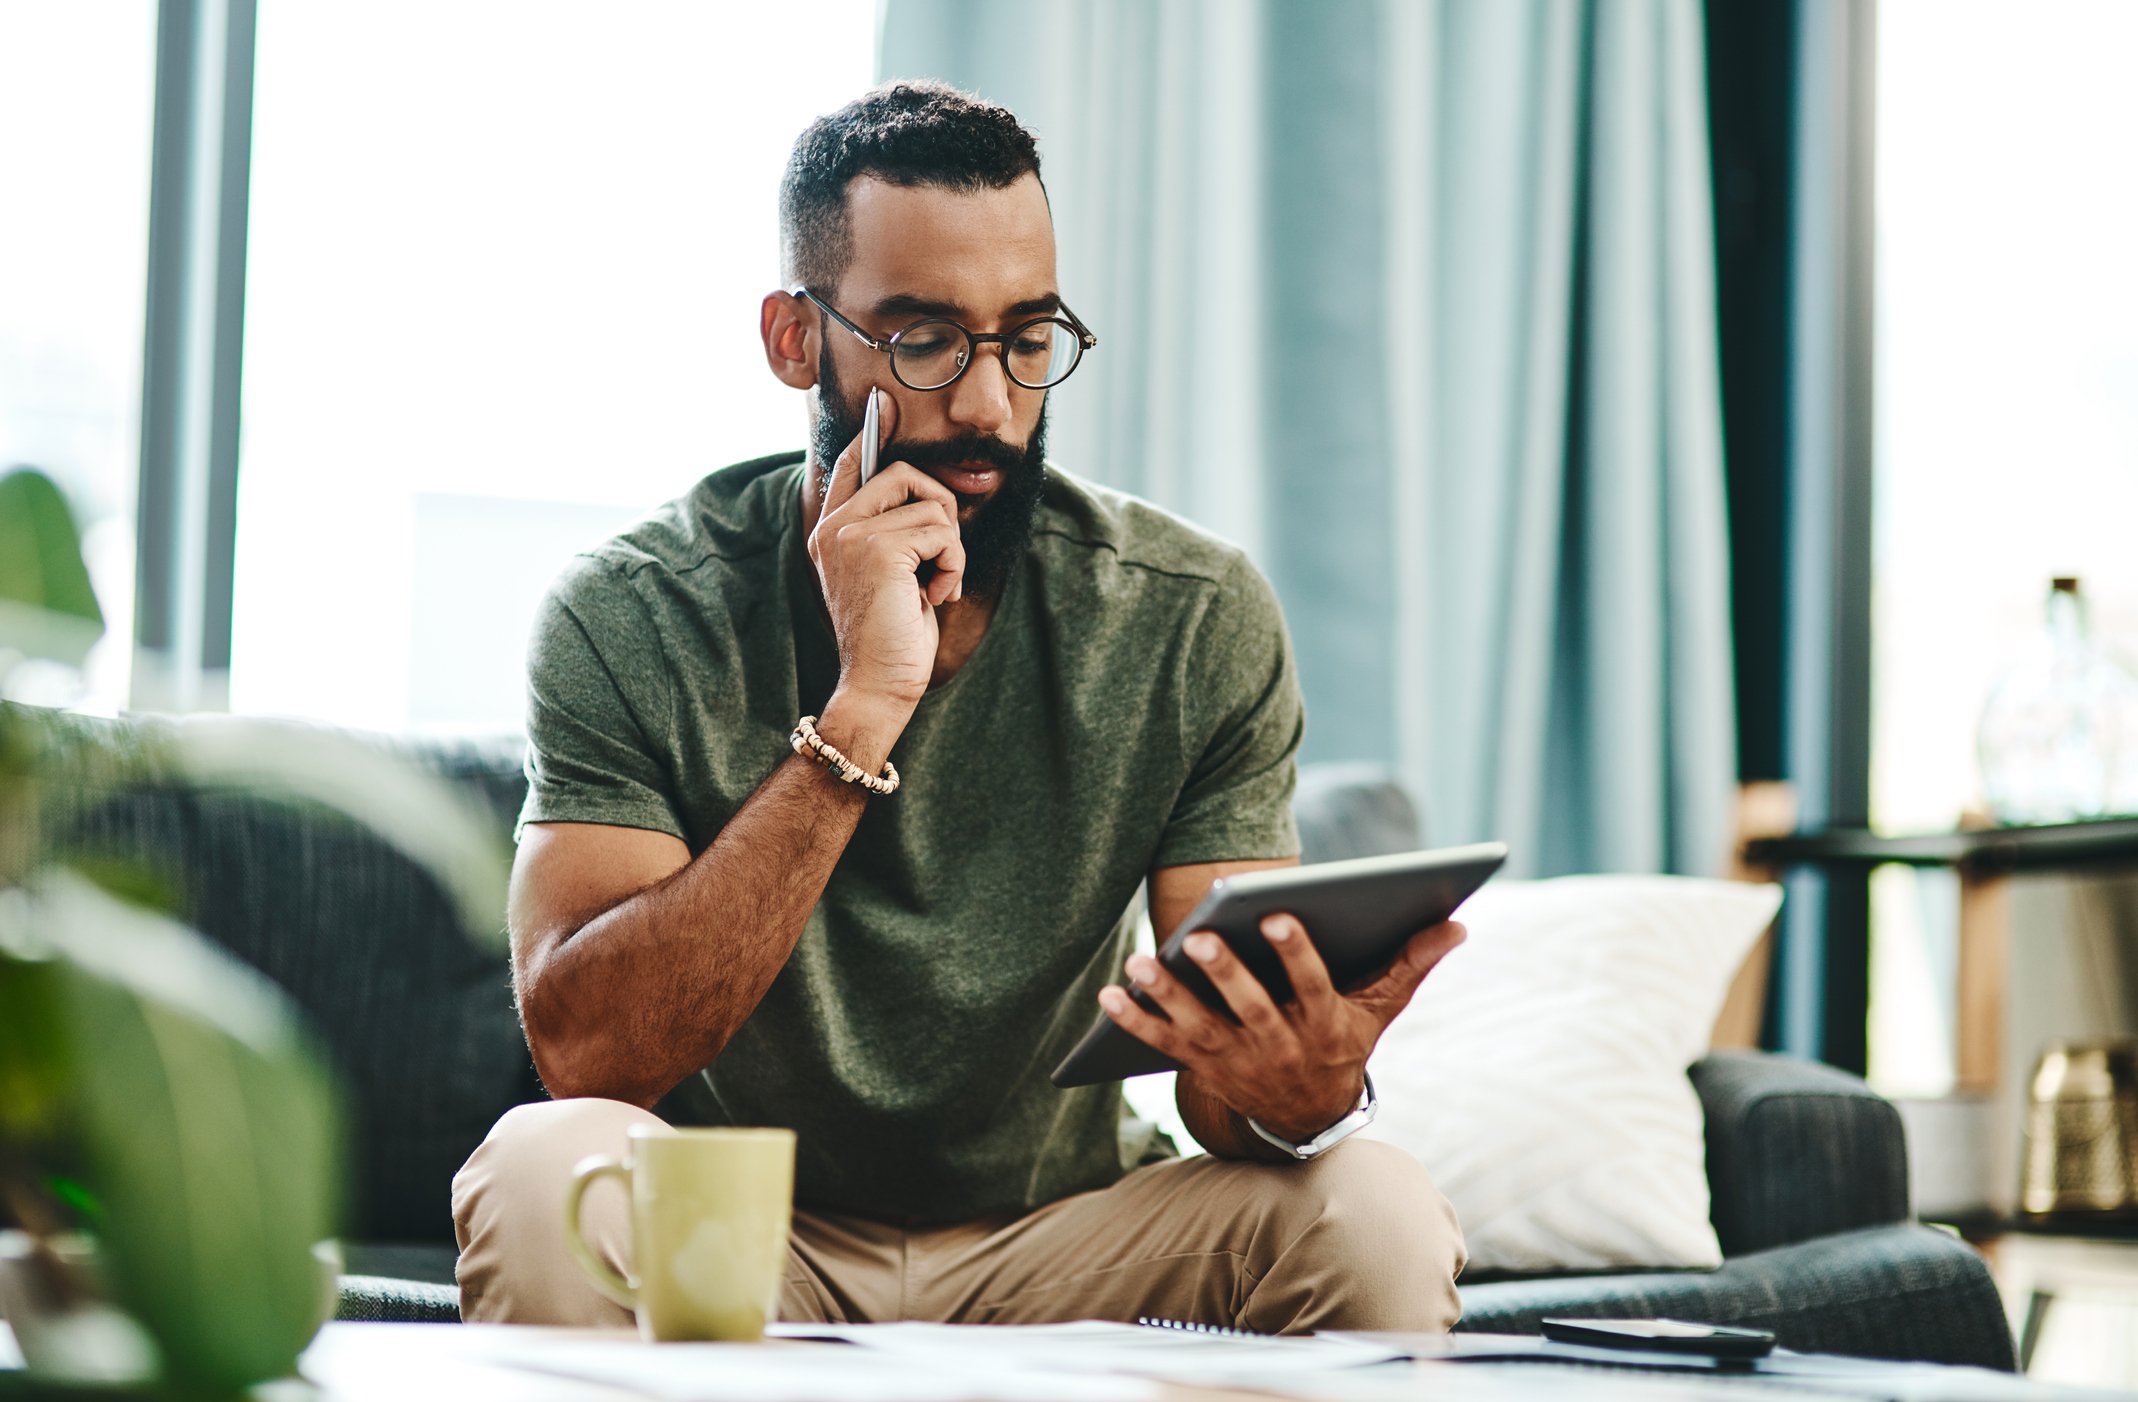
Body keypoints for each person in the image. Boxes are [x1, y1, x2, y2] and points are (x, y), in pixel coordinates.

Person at [453, 80, 1467, 1334]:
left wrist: (1297, 1085)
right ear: (792, 339)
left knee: (1372, 1201)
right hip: (743, 1232)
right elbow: (589, 1061)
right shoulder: (634, 609)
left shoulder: (1189, 612)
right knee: (544, 1167)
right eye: (924, 340)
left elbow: (1221, 1101)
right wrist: (864, 705)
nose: (989, 403)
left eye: (1027, 337)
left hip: (1066, 1237)